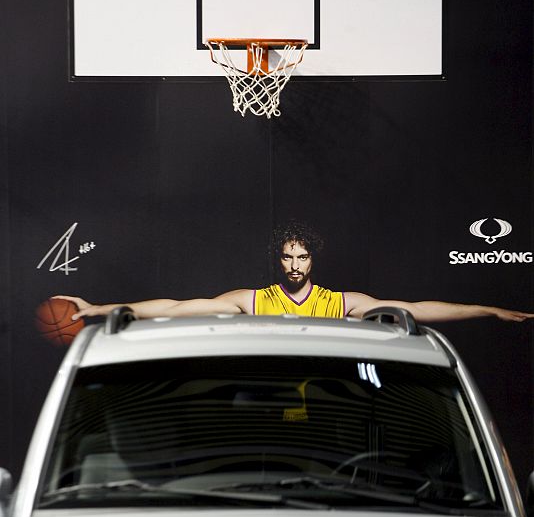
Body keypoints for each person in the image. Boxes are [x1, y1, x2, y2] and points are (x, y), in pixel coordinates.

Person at [56, 222, 534, 324]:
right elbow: (180, 308)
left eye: (301, 257)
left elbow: (416, 309)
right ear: (278, 261)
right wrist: (101, 308)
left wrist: (488, 309)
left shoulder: (342, 302)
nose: (294, 265)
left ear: (313, 261)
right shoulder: (254, 299)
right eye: (286, 257)